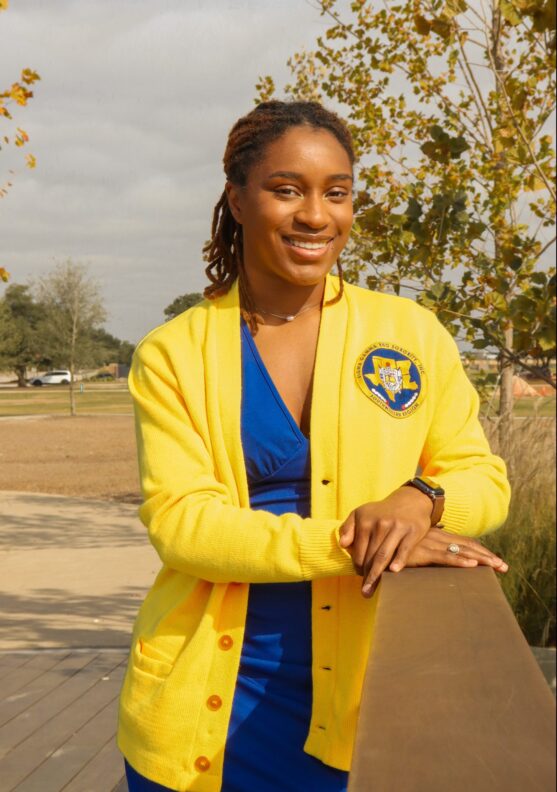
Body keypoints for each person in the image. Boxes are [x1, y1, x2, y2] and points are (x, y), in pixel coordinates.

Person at [118, 101, 510, 792]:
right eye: (286, 189)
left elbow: (480, 479)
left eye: (337, 192)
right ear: (237, 200)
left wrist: (419, 500)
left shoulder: (409, 333)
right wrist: (360, 539)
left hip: (373, 692)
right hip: (209, 701)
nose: (316, 216)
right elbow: (183, 526)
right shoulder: (172, 353)